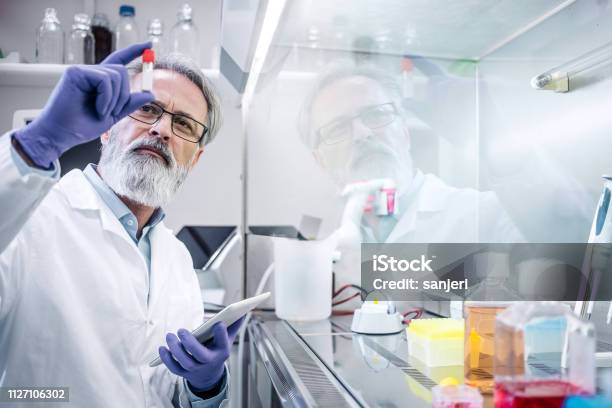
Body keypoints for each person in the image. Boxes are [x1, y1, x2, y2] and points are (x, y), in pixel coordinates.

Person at [0, 42, 237, 407]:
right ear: (108, 127)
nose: (162, 130)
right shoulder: (32, 217)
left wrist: (205, 386)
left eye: (183, 124)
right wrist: (40, 142)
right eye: (147, 109)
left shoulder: (176, 259)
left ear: (195, 159)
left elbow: (167, 390)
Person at [297, 65, 523, 286]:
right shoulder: (326, 258)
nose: (362, 134)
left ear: (405, 131)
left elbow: (549, 268)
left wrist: (504, 151)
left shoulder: (487, 217)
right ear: (321, 161)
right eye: (338, 128)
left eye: (375, 114)